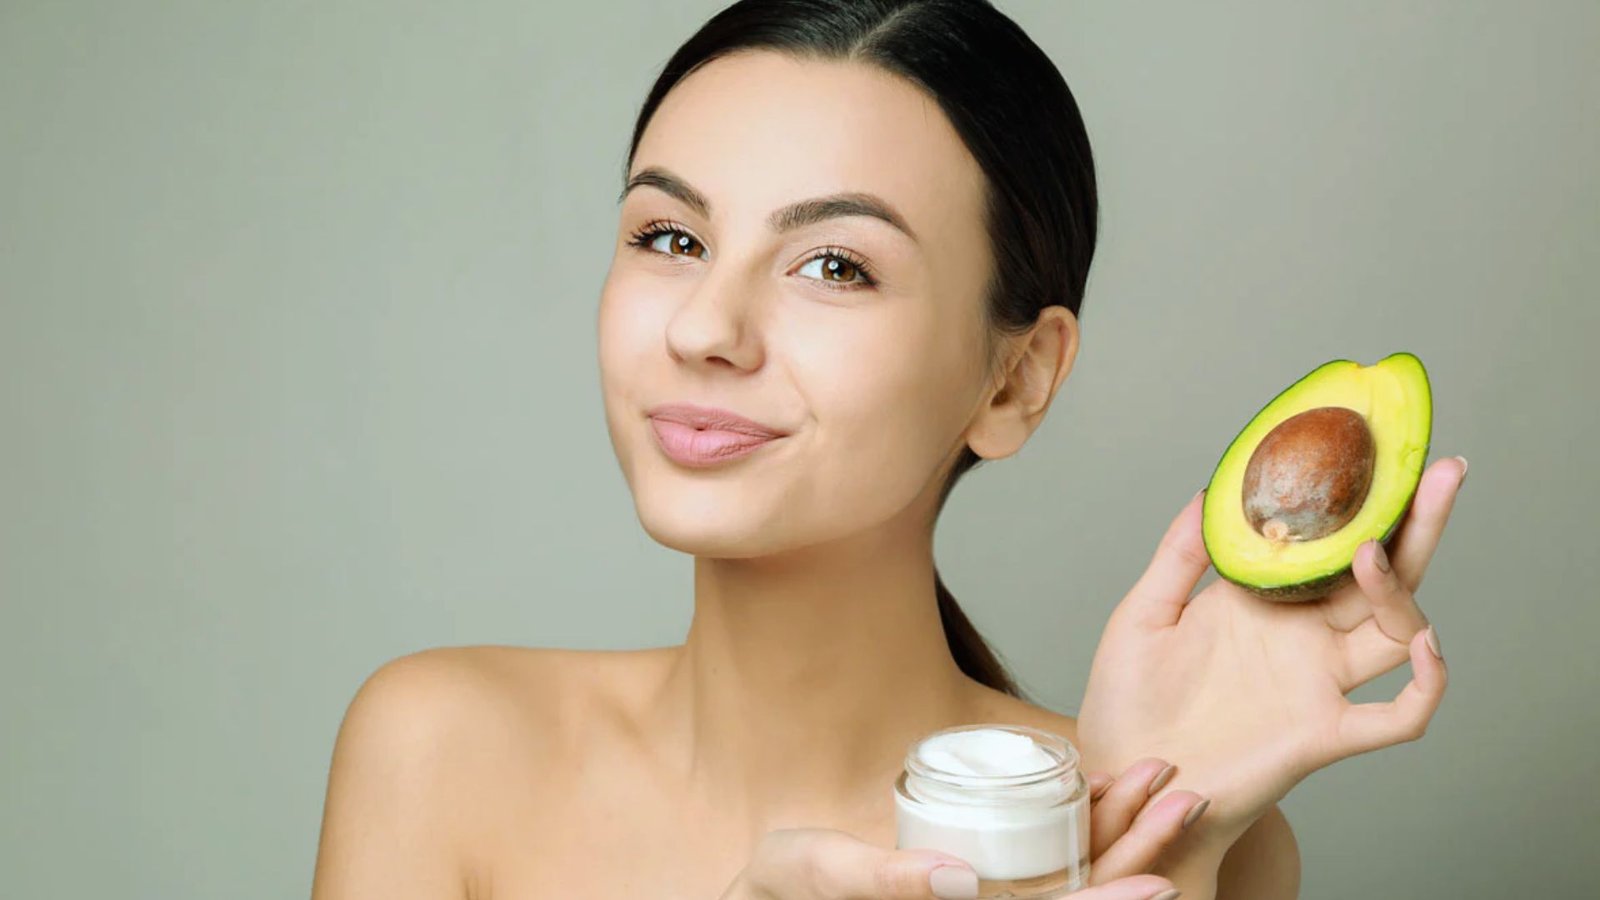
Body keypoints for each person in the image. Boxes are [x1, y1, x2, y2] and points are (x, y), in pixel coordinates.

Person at [312, 2, 1458, 898]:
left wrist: (1145, 848)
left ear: (1015, 379)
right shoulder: (440, 750)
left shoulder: (1187, 822)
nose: (704, 328)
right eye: (670, 237)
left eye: (834, 265)